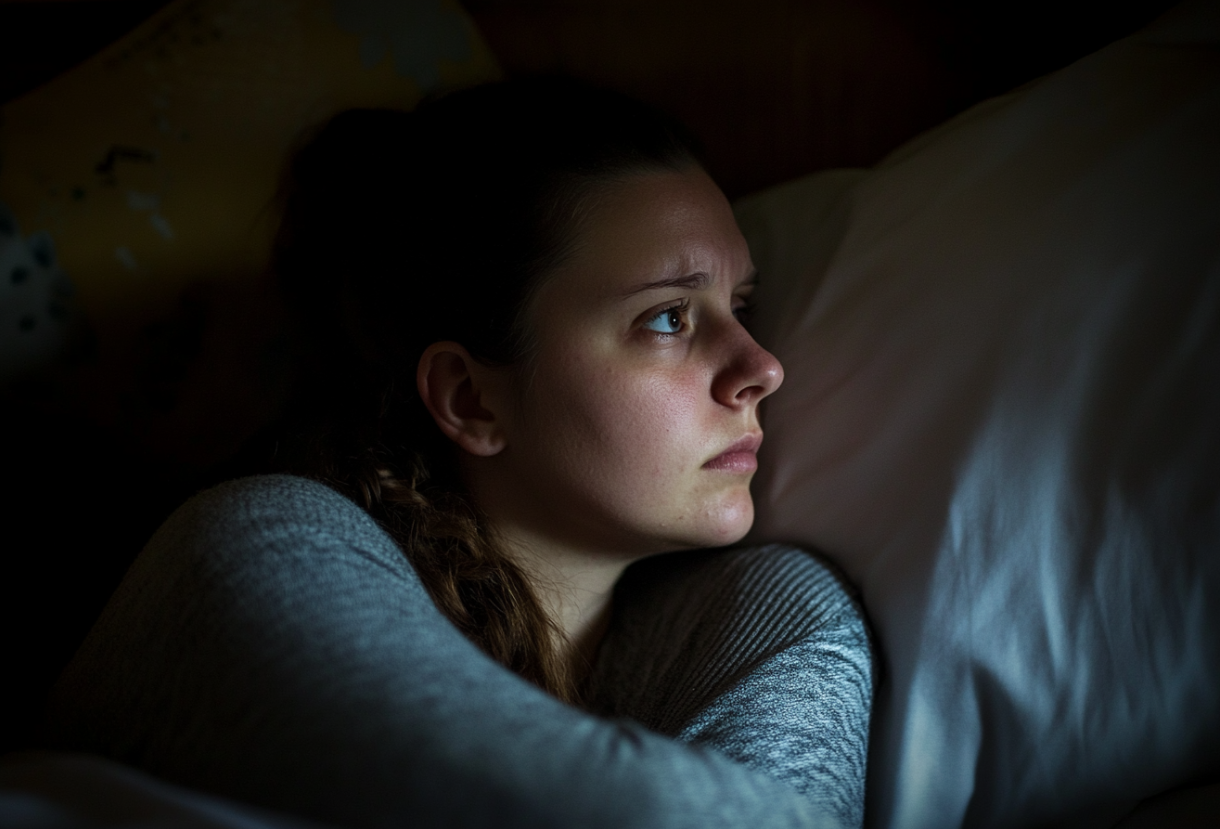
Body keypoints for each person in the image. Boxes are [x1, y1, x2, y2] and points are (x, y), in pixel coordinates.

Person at [45, 80, 873, 829]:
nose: (763, 367)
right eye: (667, 317)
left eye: (741, 303)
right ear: (472, 399)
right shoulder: (258, 543)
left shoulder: (770, 611)